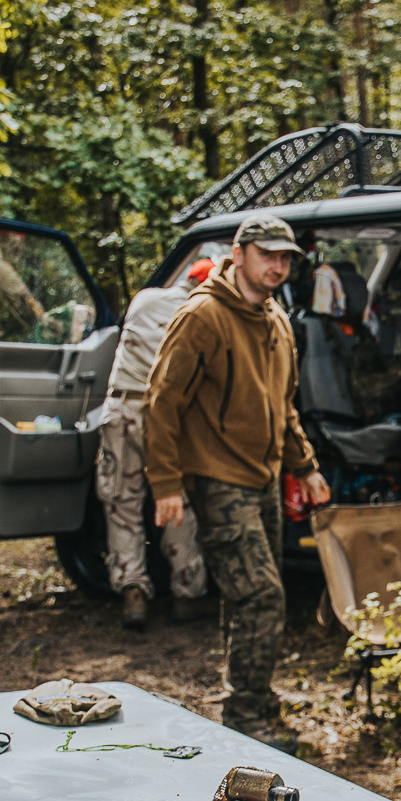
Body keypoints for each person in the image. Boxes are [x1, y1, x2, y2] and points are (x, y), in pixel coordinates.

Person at [146, 213, 332, 750]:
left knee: (244, 595)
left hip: (264, 477)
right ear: (240, 252)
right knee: (262, 596)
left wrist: (305, 466)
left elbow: (284, 406)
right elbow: (162, 402)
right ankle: (246, 716)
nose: (277, 266)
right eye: (268, 255)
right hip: (217, 476)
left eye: (285, 258)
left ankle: (253, 694)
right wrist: (165, 484)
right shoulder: (203, 315)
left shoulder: (277, 320)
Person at [99, 257, 213, 630]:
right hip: (165, 419)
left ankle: (133, 591)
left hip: (121, 411)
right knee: (175, 503)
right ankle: (186, 593)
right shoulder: (202, 312)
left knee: (122, 506)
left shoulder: (145, 299)